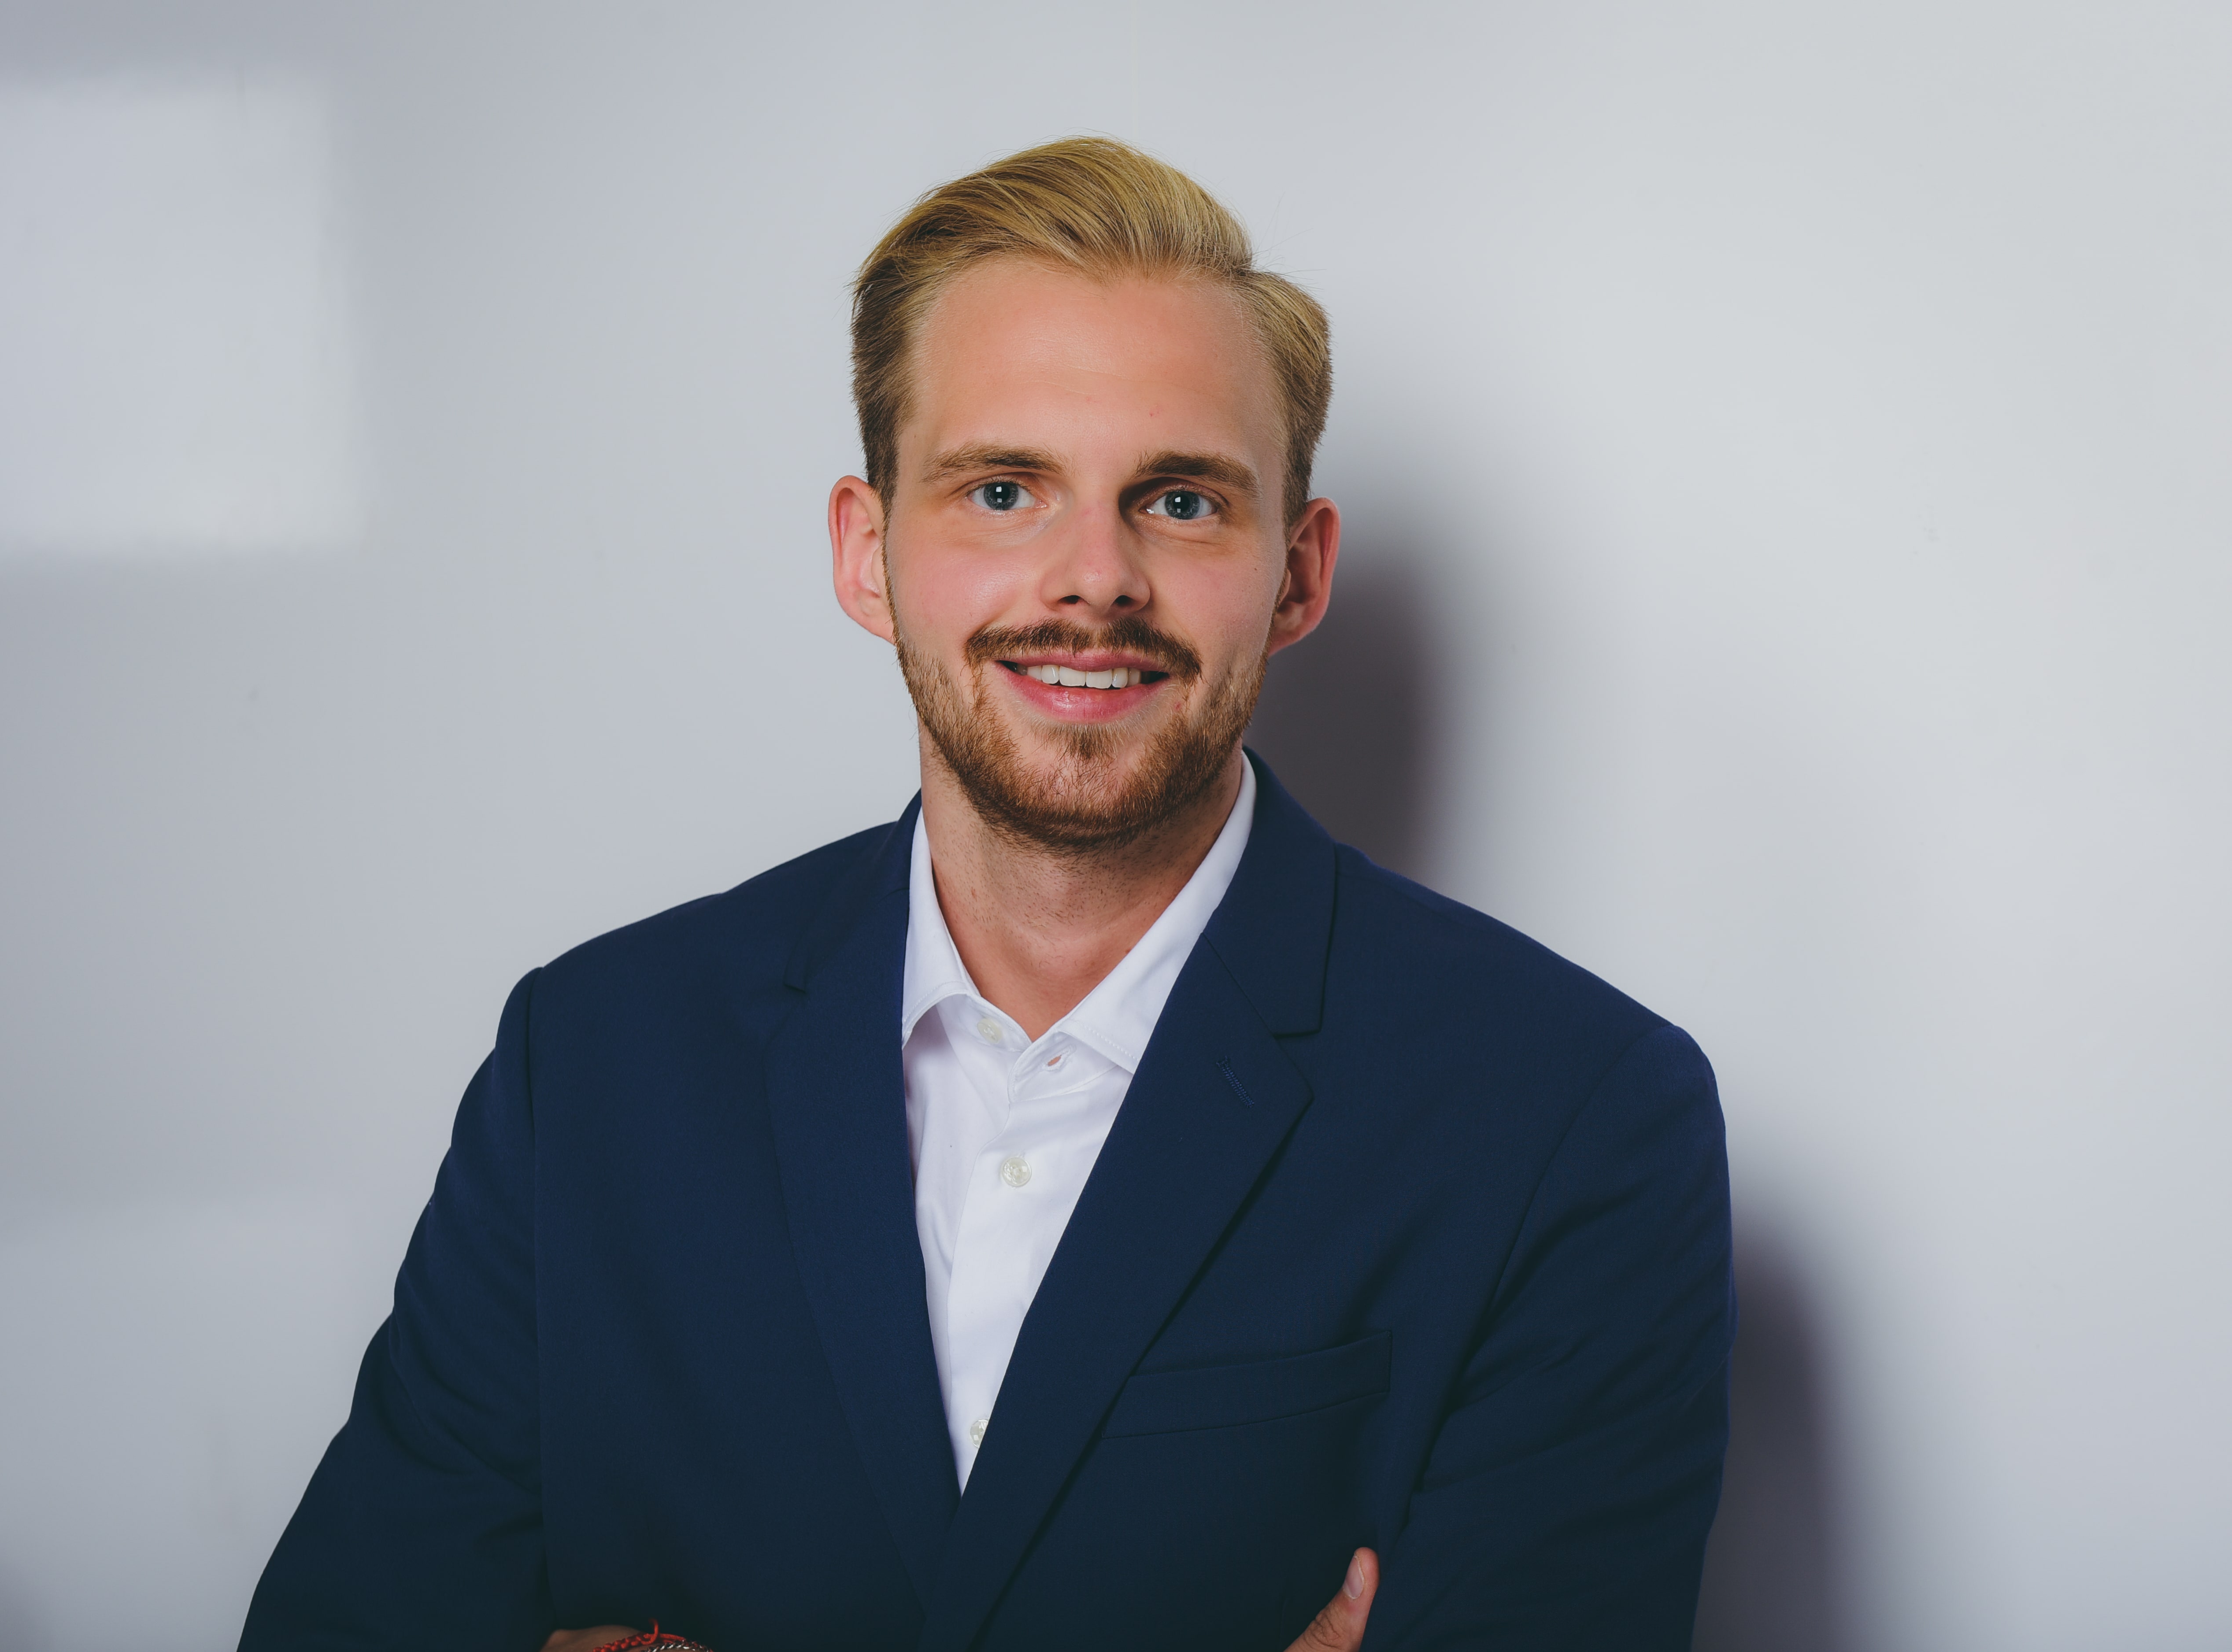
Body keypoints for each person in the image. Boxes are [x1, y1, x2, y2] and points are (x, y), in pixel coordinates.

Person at [241, 137, 1734, 1652]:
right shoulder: (593, 1066)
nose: (1093, 578)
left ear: (1295, 574)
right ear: (869, 554)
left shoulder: (1575, 1116)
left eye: (1179, 501)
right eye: (1004, 488)